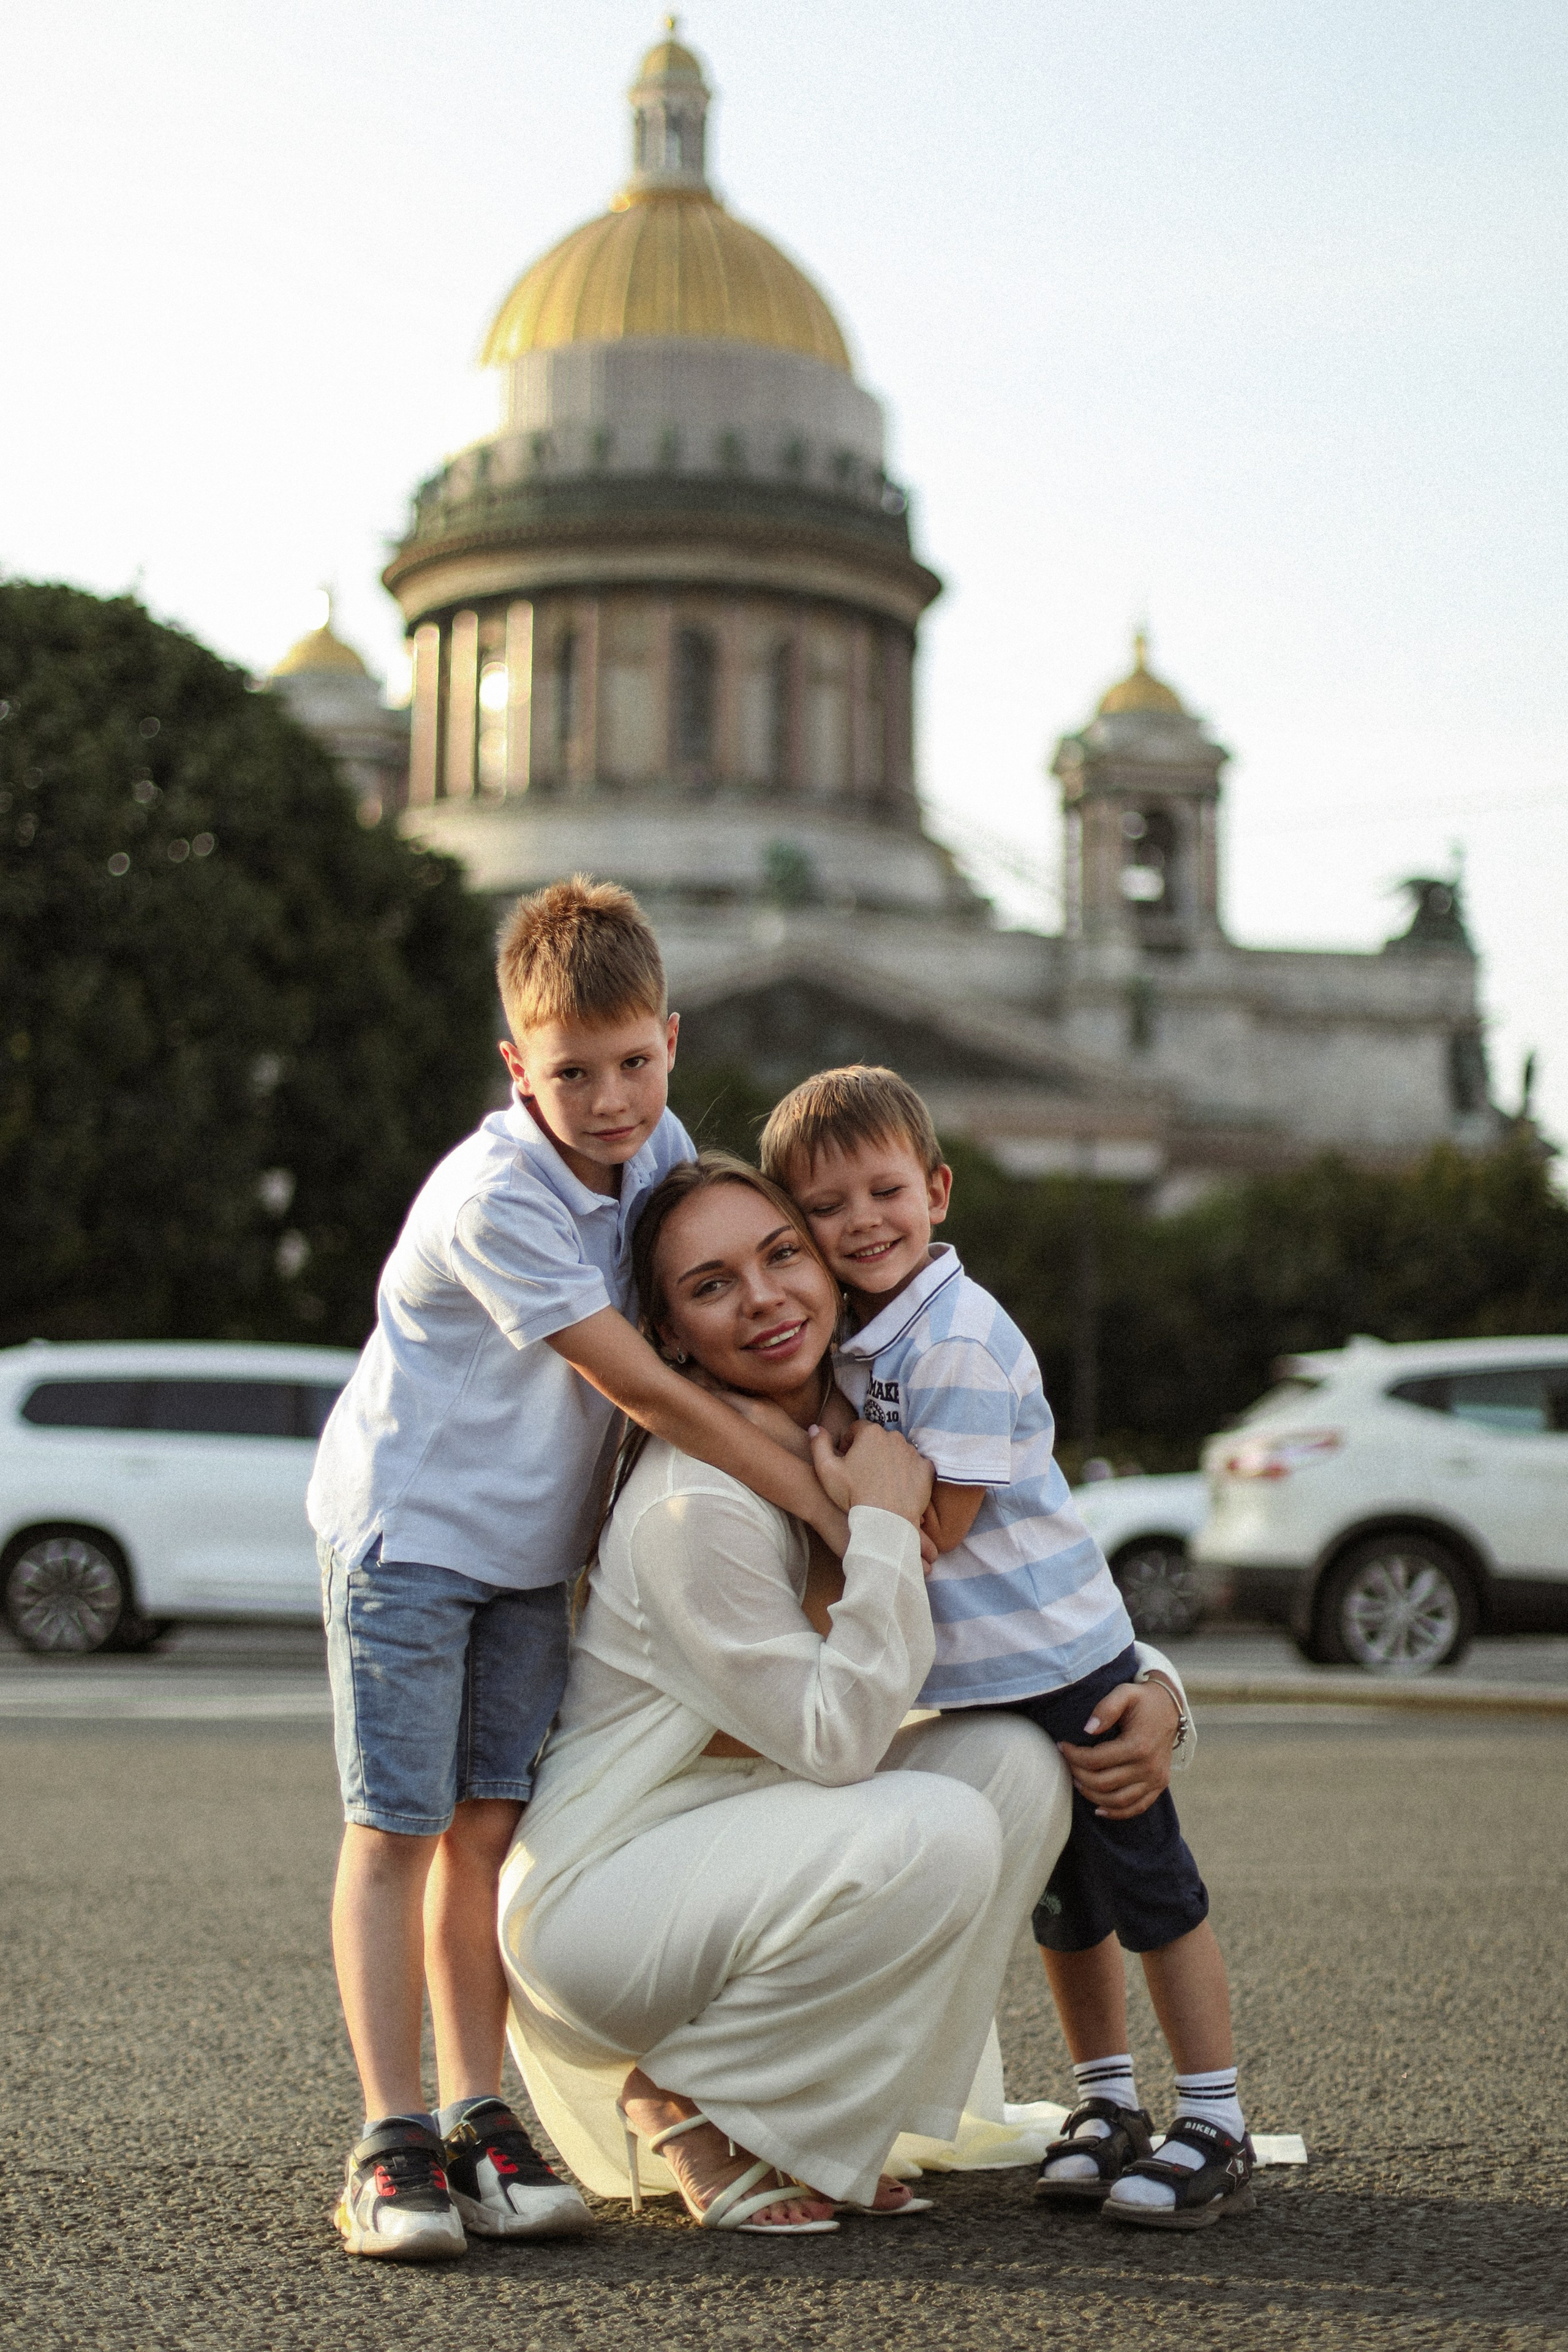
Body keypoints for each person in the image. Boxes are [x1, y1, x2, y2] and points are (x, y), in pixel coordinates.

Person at [306, 880, 856, 2261]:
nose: (609, 1101)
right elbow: (649, 1389)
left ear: (670, 1040)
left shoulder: (658, 1147)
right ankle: (388, 2140)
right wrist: (832, 1507)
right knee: (398, 1830)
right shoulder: (497, 1197)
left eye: (631, 1062)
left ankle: (477, 2118)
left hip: (528, 1553)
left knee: (489, 1835)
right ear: (517, 1068)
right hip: (412, 1535)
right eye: (571, 1073)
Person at [497, 1156, 1090, 2231]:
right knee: (939, 1827)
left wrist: (1156, 1689)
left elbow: (1034, 1588)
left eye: (782, 1256)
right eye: (712, 1285)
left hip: (761, 1850)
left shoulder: (877, 1431)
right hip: (607, 1903)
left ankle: (824, 2121)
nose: (765, 1297)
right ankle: (689, 2096)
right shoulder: (695, 1505)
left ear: (826, 1267)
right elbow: (839, 1744)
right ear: (669, 1337)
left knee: (1017, 1763)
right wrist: (881, 1525)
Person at [760, 1068, 1255, 2232]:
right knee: (1064, 1908)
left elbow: (931, 1530)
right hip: (994, 1679)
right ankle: (1108, 2101)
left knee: (1154, 1892)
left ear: (937, 1192)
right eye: (828, 1207)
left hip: (1065, 1665)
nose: (862, 1222)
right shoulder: (866, 1334)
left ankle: (1217, 2118)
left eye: (886, 1192)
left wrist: (832, 1473)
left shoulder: (957, 1342)